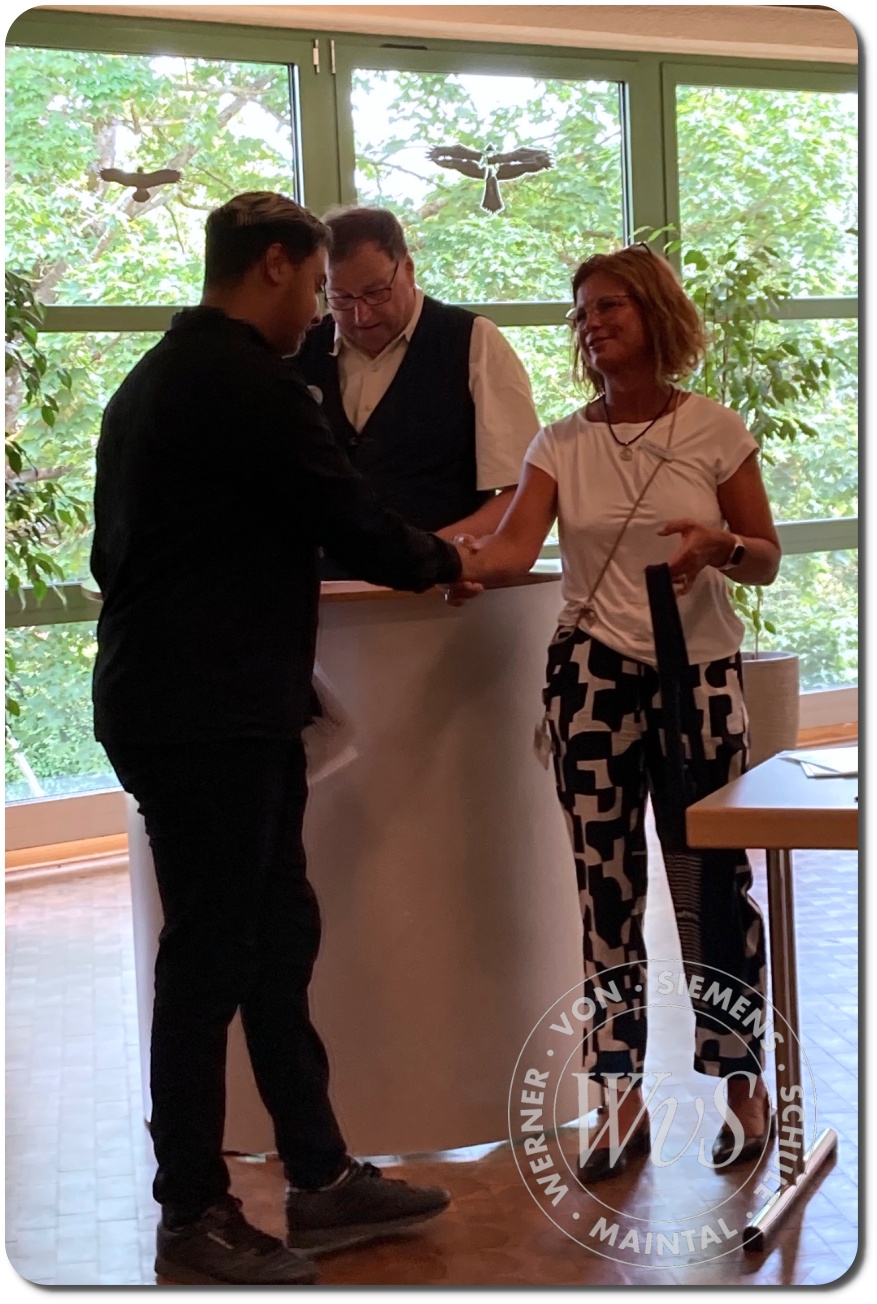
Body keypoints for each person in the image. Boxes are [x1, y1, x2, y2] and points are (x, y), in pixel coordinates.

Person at [91, 191, 472, 1285]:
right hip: (206, 716)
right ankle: (192, 1212)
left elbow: (113, 556)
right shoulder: (246, 383)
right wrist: (450, 562)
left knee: (272, 938)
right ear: (270, 265)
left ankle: (320, 1175)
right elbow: (346, 513)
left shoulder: (152, 381)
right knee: (211, 959)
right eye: (312, 283)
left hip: (197, 705)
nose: (318, 309)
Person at [451, 243, 782, 1182]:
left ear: (654, 316)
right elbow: (511, 550)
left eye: (610, 308)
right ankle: (617, 1091)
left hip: (698, 680)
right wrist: (429, 563)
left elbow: (764, 557)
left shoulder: (714, 428)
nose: (591, 325)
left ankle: (740, 1083)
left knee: (711, 885)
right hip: (591, 680)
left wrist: (718, 546)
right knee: (605, 889)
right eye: (583, 312)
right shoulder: (558, 442)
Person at [294, 205, 539, 568]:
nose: (361, 315)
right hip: (324, 590)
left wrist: (428, 556)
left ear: (407, 268)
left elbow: (521, 494)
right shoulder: (301, 348)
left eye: (376, 292)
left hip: (440, 591)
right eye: (341, 298)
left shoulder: (472, 341)